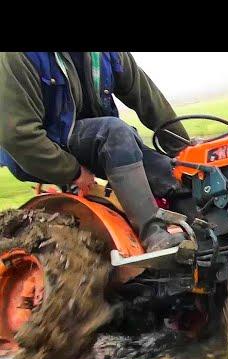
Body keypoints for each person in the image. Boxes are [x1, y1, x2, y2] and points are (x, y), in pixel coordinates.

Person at [0, 52, 190, 251]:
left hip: (97, 141)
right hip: (36, 151)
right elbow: (18, 135)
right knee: (115, 132)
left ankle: (200, 227)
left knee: (168, 171)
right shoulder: (19, 56)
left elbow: (145, 95)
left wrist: (183, 147)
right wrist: (72, 172)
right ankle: (154, 236)